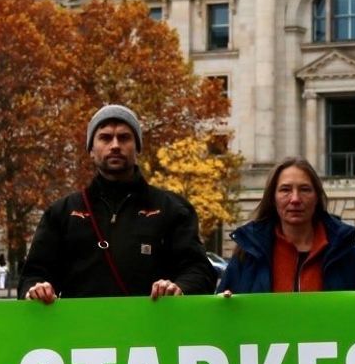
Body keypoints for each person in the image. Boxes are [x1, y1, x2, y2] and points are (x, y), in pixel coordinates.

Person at [21, 104, 216, 301]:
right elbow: (33, 274)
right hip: (82, 330)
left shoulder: (173, 209)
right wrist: (35, 291)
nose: (115, 145)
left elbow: (200, 271)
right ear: (91, 149)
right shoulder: (62, 212)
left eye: (124, 137)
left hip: (152, 330)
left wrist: (179, 289)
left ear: (137, 147)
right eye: (105, 137)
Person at [217, 157, 355, 293]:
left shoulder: (348, 254)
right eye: (285, 190)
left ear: (317, 197)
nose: (295, 199)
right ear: (272, 198)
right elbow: (222, 315)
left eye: (305, 189)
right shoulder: (248, 254)